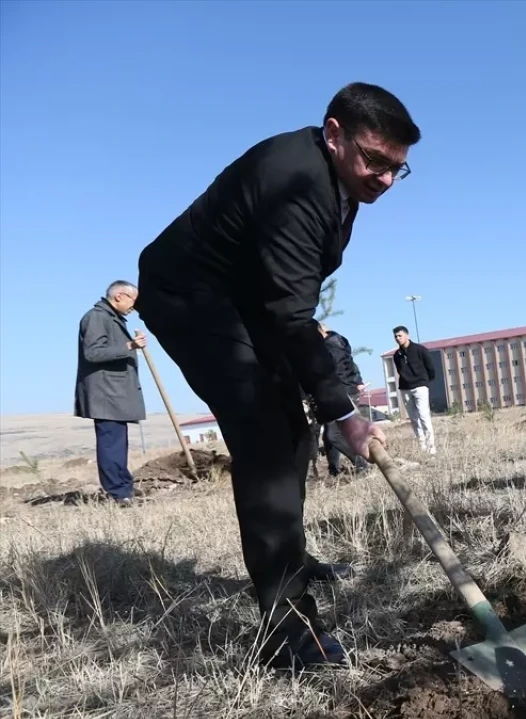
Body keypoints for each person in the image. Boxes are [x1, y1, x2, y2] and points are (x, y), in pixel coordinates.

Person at [135, 83, 420, 670]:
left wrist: (320, 398)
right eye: (374, 160)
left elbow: (288, 304)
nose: (385, 180)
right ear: (334, 133)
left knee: (292, 426)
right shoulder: (297, 180)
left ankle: (289, 559)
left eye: (398, 169)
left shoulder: (338, 185)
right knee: (263, 434)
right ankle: (287, 632)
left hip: (246, 302)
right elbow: (292, 314)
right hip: (189, 296)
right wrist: (345, 414)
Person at [74, 280, 147, 507]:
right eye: (132, 300)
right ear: (119, 296)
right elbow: (93, 353)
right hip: (106, 394)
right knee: (111, 444)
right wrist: (128, 346)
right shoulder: (97, 317)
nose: (134, 306)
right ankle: (118, 494)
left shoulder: (112, 318)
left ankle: (124, 488)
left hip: (115, 394)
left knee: (117, 443)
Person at [319, 323, 370, 476]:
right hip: (343, 391)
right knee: (329, 434)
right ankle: (334, 470)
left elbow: (336, 372)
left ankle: (362, 464)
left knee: (333, 435)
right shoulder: (338, 344)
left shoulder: (330, 348)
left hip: (342, 393)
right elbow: (352, 366)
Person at [391, 326, 437, 454]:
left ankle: (431, 447)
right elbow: (400, 370)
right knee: (414, 419)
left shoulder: (420, 350)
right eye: (395, 336)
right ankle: (422, 446)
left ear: (407, 335)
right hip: (405, 389)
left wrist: (424, 381)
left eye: (400, 335)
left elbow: (431, 368)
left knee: (423, 416)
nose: (397, 338)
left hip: (420, 386)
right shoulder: (397, 355)